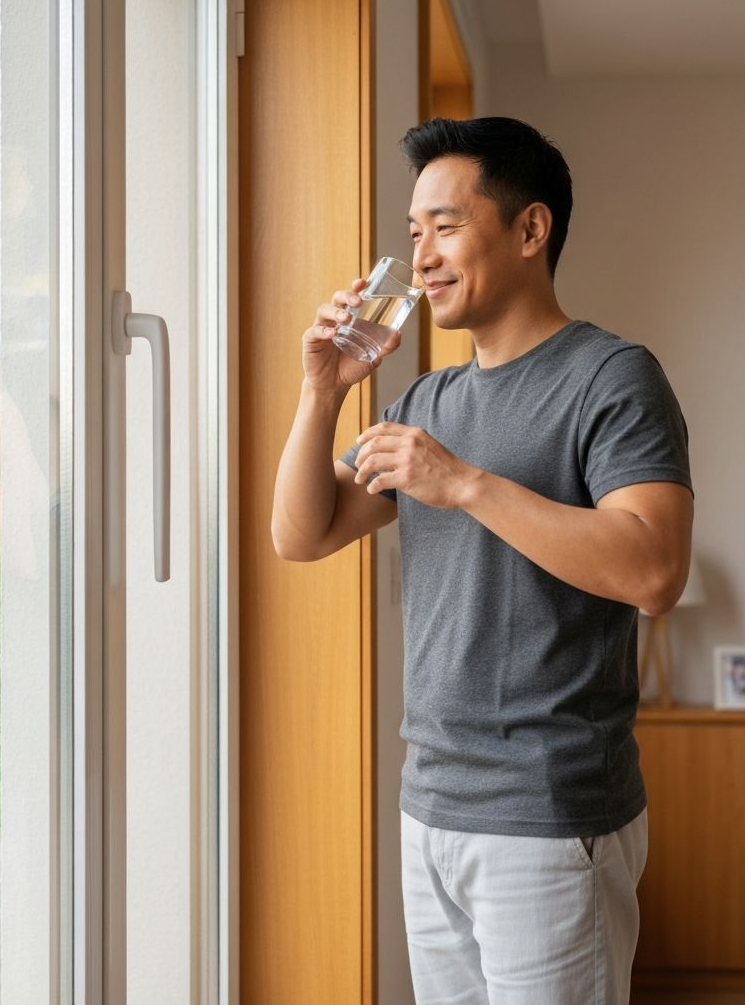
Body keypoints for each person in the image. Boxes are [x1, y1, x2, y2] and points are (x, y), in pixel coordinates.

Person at [271, 116, 694, 1005]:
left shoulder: (612, 376)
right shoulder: (427, 398)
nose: (422, 256)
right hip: (429, 806)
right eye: (414, 232)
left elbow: (655, 571)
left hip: (548, 812)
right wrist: (321, 392)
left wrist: (462, 484)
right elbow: (300, 534)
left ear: (531, 230)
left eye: (447, 226)